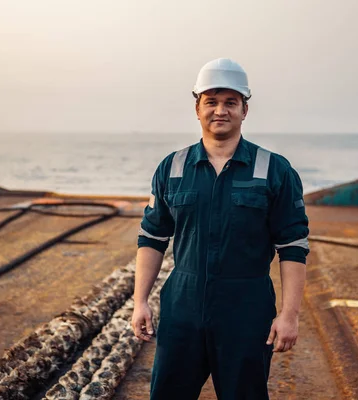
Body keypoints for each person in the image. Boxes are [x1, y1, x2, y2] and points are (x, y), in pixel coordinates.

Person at [132, 58, 309, 400]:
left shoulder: (274, 169)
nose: (220, 111)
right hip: (182, 307)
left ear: (245, 109)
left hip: (246, 310)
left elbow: (293, 246)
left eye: (231, 102)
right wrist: (140, 301)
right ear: (197, 108)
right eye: (211, 102)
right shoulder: (173, 167)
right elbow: (152, 238)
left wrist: (289, 315)